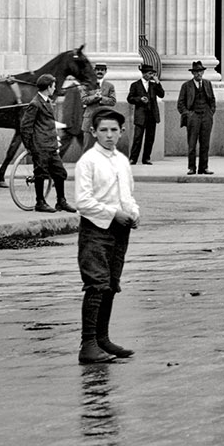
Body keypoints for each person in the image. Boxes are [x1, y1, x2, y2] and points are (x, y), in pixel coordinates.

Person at [71, 103, 139, 364]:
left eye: (114, 130)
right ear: (93, 132)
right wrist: (113, 214)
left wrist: (133, 213)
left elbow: (127, 195)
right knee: (96, 284)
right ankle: (88, 344)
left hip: (120, 230)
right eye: (103, 130)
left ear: (122, 132)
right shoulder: (88, 161)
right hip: (96, 230)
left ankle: (103, 338)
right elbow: (83, 202)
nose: (109, 135)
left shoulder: (121, 160)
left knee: (110, 283)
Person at [18, 75, 68, 212]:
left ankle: (61, 201)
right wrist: (30, 146)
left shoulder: (46, 101)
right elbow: (25, 126)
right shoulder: (35, 104)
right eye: (53, 85)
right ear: (48, 87)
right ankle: (40, 202)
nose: (55, 88)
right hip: (40, 146)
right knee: (40, 174)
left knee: (60, 173)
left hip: (51, 145)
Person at [177, 59, 219, 175]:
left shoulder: (207, 84)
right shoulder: (186, 86)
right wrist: (188, 114)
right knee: (192, 144)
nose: (198, 74)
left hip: (206, 115)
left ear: (203, 72)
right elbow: (180, 103)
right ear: (192, 73)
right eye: (196, 72)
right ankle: (191, 167)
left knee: (205, 144)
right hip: (193, 116)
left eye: (200, 71)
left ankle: (203, 167)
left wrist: (211, 112)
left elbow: (212, 100)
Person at [125, 66, 165, 167]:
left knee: (150, 138)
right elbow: (130, 98)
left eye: (152, 74)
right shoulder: (135, 85)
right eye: (150, 73)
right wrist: (139, 99)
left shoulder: (153, 85)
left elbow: (162, 94)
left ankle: (146, 158)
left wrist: (158, 83)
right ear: (144, 73)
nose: (151, 75)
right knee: (137, 137)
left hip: (152, 114)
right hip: (141, 115)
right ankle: (133, 158)